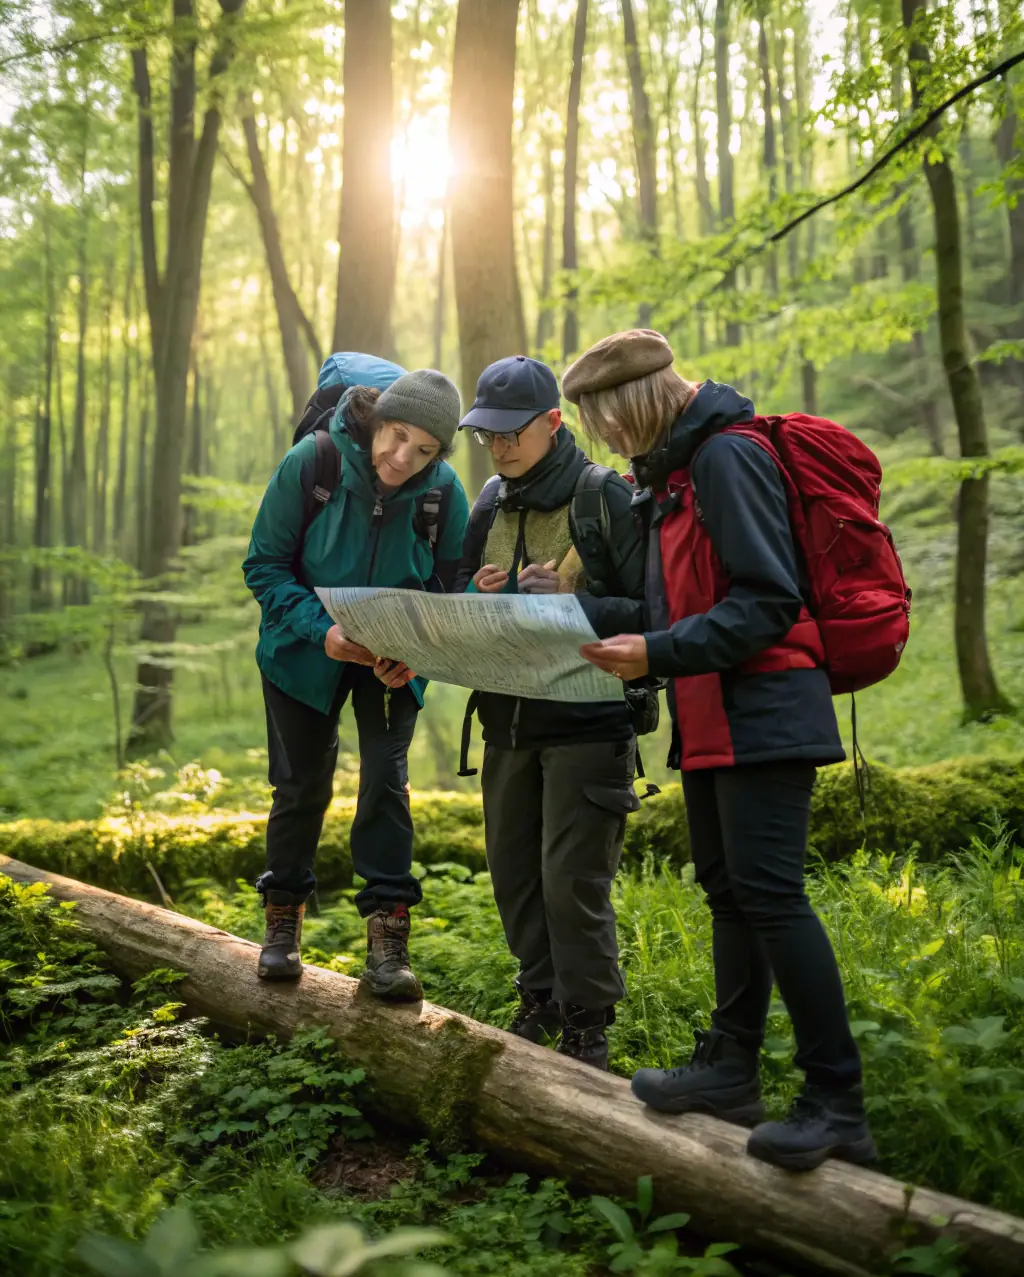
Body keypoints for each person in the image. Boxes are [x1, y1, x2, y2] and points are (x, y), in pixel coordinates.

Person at [563, 329, 875, 1170]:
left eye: (605, 423)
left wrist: (657, 653)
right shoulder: (670, 478)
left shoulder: (727, 461)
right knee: (729, 894)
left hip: (767, 708)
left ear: (630, 404)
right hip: (713, 715)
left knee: (772, 898)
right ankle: (732, 1068)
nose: (607, 442)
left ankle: (836, 1102)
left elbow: (766, 601)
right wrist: (576, 615)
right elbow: (670, 613)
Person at [243, 360, 468, 1000]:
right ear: (377, 419)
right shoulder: (312, 464)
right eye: (397, 436)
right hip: (302, 651)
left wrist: (416, 650)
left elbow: (451, 586)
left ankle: (388, 945)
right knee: (300, 785)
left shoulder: (441, 491)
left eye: (425, 449)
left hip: (391, 659)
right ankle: (282, 927)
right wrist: (324, 632)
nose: (404, 457)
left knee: (387, 784)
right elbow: (264, 567)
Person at [452, 354, 645, 1071]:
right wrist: (479, 594)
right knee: (515, 874)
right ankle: (539, 999)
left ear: (553, 423)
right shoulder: (488, 504)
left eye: (511, 433)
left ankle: (589, 1024)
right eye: (487, 434)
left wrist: (573, 606)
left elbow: (656, 610)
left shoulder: (605, 498)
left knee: (572, 882)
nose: (498, 447)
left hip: (589, 723)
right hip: (506, 720)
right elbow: (456, 600)